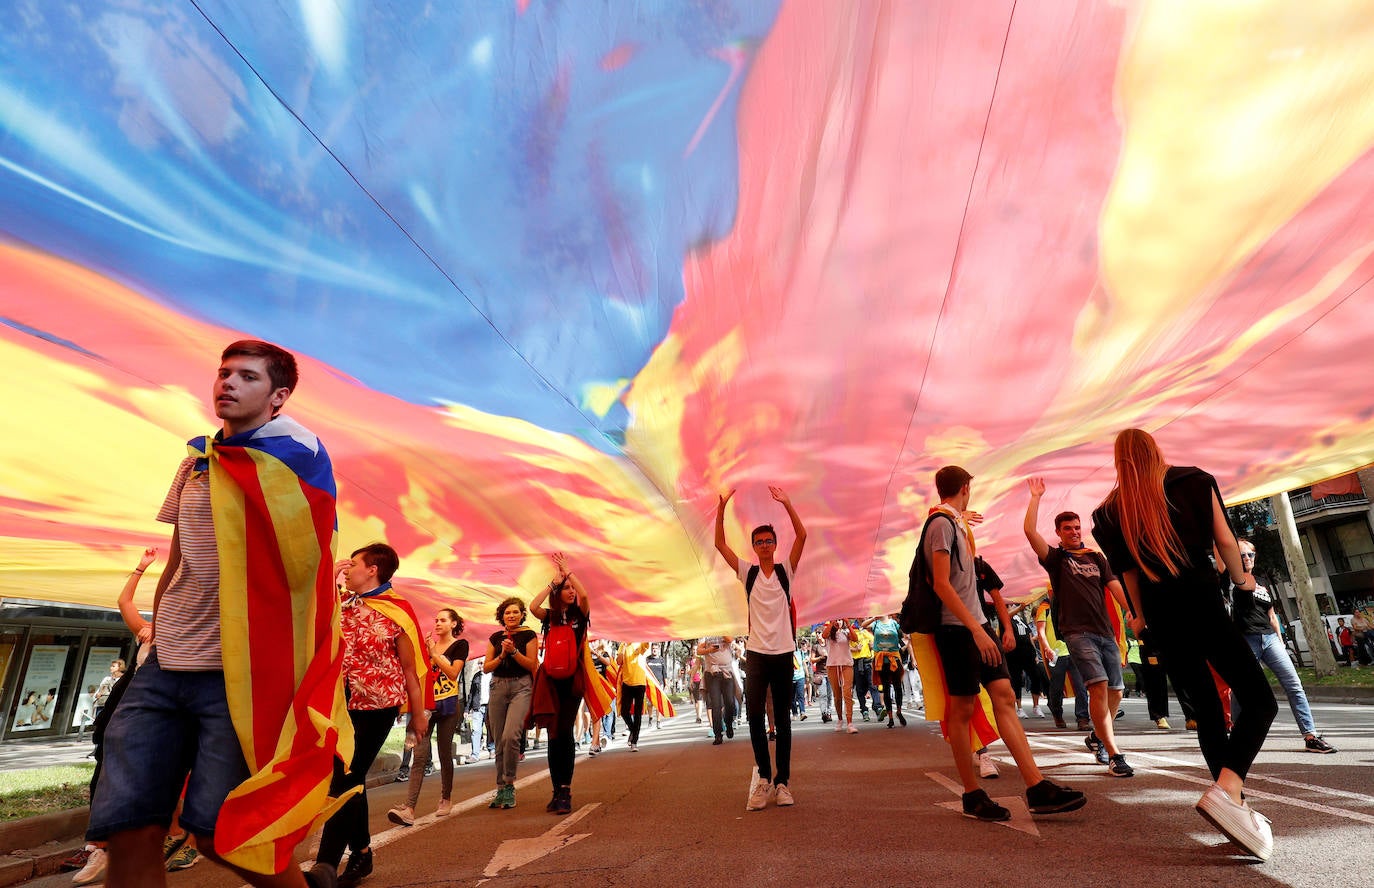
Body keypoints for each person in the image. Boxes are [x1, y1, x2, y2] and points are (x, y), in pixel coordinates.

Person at [85, 340, 345, 888]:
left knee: (221, 834)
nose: (226, 383)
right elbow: (180, 556)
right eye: (223, 373)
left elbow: (308, 565)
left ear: (279, 397)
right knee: (129, 826)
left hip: (237, 679)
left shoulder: (298, 458)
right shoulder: (196, 464)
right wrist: (154, 636)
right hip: (163, 666)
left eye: (246, 377)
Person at [1091, 429, 1278, 860]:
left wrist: (1139, 618)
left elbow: (1129, 576)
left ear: (1119, 461)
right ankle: (1229, 788)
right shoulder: (1193, 480)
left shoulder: (1107, 513)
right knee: (1260, 700)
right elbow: (1226, 541)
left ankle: (1236, 806)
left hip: (1159, 612)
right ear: (1155, 450)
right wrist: (1241, 579)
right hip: (1200, 597)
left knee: (1208, 710)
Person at [921, 465, 1085, 822]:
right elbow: (941, 584)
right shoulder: (939, 525)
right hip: (958, 630)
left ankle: (1036, 786)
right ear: (966, 487)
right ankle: (972, 793)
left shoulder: (954, 522)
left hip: (977, 626)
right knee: (962, 711)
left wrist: (985, 628)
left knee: (1005, 696)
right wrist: (978, 631)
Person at [315, 544, 429, 887]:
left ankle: (324, 866)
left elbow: (410, 669)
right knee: (353, 778)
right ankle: (362, 854)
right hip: (344, 704)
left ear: (373, 570)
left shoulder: (397, 611)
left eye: (354, 564)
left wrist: (418, 714)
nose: (347, 569)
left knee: (346, 778)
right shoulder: (345, 605)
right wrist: (329, 577)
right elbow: (313, 613)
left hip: (380, 706)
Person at [1024, 478, 1135, 778]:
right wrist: (1036, 498)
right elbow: (1029, 532)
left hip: (1105, 633)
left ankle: (1097, 737)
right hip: (1077, 633)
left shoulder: (1096, 557)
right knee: (1098, 687)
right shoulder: (1057, 559)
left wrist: (1133, 612)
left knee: (1117, 690)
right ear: (1059, 535)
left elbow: (1114, 587)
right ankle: (1114, 754)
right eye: (1068, 529)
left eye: (1077, 528)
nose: (1074, 532)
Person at [714, 485, 807, 811]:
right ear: (753, 547)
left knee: (782, 719)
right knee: (754, 716)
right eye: (759, 542)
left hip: (783, 652)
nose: (765, 545)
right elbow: (719, 544)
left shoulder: (786, 571)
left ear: (774, 544)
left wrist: (787, 503)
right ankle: (764, 778)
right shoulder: (748, 572)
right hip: (756, 654)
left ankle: (782, 783)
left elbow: (803, 536)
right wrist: (722, 507)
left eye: (769, 541)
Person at [1229, 541, 1336, 753]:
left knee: (1294, 685)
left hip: (1269, 639)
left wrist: (1279, 641)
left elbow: (1271, 615)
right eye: (1242, 555)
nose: (1247, 558)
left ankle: (1310, 736)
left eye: (1250, 554)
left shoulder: (1262, 582)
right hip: (1246, 639)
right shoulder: (1232, 580)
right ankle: (1236, 735)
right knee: (1242, 690)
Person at [388, 608, 470, 826]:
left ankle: (446, 798)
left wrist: (434, 654)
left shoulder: (460, 645)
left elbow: (453, 673)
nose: (438, 623)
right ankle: (409, 808)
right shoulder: (426, 647)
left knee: (444, 752)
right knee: (419, 755)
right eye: (436, 620)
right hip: (425, 706)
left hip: (449, 704)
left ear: (454, 624)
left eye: (443, 620)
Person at [526, 552, 592, 813]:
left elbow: (585, 596)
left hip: (572, 682)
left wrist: (569, 572)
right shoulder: (550, 617)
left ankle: (565, 791)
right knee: (553, 736)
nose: (571, 592)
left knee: (564, 733)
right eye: (566, 589)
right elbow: (532, 606)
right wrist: (553, 583)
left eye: (572, 588)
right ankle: (556, 790)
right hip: (551, 681)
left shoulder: (580, 615)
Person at [483, 597, 540, 808]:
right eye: (508, 613)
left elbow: (531, 664)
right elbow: (487, 667)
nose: (512, 616)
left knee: (511, 736)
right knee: (498, 740)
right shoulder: (495, 637)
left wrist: (514, 652)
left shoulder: (529, 635)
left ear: (522, 614)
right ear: (502, 616)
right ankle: (500, 789)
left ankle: (509, 783)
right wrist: (502, 654)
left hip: (522, 687)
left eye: (515, 612)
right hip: (498, 687)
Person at [863, 614, 907, 727]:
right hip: (881, 660)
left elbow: (904, 634)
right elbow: (863, 625)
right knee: (886, 688)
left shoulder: (894, 623)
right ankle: (890, 717)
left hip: (894, 658)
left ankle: (899, 711)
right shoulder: (875, 623)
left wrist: (899, 618)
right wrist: (873, 618)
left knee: (897, 686)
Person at [697, 636, 737, 744]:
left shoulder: (725, 630)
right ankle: (718, 734)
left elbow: (730, 640)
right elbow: (699, 650)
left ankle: (728, 723)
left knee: (730, 702)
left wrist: (722, 630)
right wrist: (709, 650)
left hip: (727, 672)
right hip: (712, 673)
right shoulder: (705, 635)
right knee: (716, 704)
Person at [822, 619, 856, 732]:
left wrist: (848, 624)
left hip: (846, 665)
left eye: (840, 620)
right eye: (837, 619)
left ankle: (850, 723)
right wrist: (832, 623)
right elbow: (824, 634)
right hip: (832, 666)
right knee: (837, 695)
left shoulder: (846, 633)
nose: (838, 622)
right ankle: (840, 719)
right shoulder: (828, 634)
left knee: (847, 692)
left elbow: (855, 639)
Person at [616, 642, 649, 750]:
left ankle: (634, 741)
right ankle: (633, 730)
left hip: (640, 682)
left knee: (637, 714)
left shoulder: (640, 642)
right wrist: (624, 647)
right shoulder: (623, 645)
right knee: (624, 711)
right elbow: (618, 661)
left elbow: (644, 647)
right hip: (627, 683)